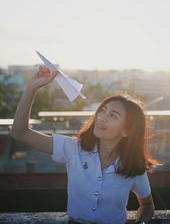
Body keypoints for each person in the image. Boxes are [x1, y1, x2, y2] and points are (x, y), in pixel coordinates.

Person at [10, 65, 158, 224]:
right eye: (102, 110)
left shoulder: (133, 167)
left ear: (127, 131)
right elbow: (19, 132)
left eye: (113, 115)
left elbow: (147, 205)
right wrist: (32, 87)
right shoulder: (73, 148)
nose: (101, 117)